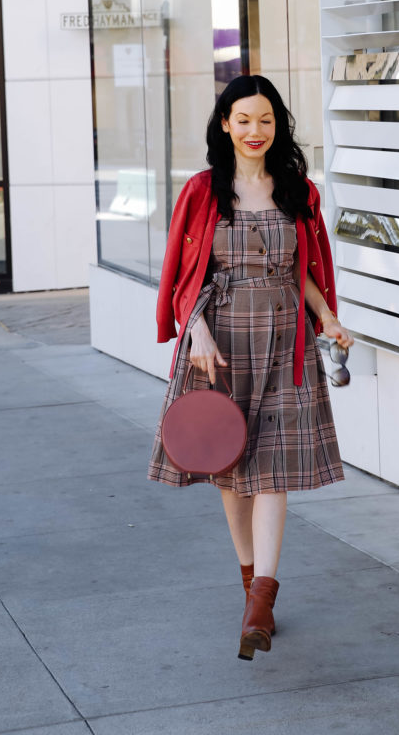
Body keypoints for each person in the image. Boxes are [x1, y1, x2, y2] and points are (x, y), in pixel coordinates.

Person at [148, 74, 353, 660]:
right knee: (231, 468)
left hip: (284, 340)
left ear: (276, 125)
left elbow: (304, 269)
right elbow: (185, 277)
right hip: (222, 344)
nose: (255, 131)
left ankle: (262, 598)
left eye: (265, 120)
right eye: (243, 120)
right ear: (224, 125)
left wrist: (327, 318)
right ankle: (249, 583)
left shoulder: (298, 191)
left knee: (274, 472)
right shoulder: (201, 192)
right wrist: (198, 335)